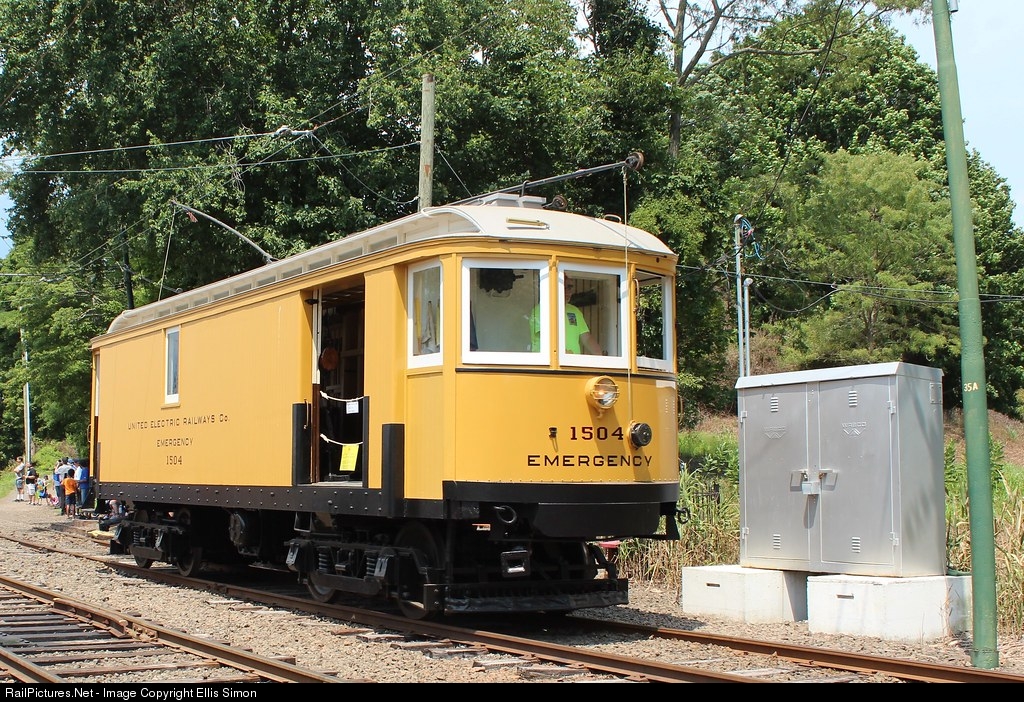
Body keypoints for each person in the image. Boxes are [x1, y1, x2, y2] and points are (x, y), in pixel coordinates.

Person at [529, 277, 603, 355]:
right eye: (563, 287)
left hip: (571, 361)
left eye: (569, 287)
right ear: (553, 287)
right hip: (546, 361)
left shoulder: (574, 311)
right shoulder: (541, 309)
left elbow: (587, 338)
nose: (567, 291)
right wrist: (564, 353)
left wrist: (599, 355)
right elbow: (545, 337)